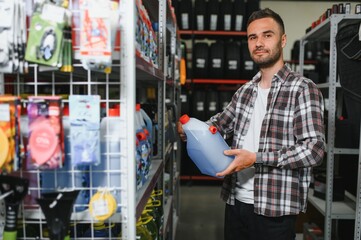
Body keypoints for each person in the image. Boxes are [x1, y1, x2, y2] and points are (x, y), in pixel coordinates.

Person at [177, 8, 325, 240]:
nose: (259, 43)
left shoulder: (303, 89)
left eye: (267, 35)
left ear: (282, 40)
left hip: (275, 208)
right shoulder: (245, 91)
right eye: (252, 37)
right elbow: (220, 123)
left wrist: (256, 158)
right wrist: (190, 129)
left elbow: (314, 150)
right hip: (236, 202)